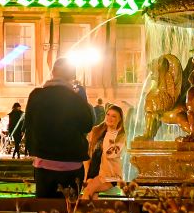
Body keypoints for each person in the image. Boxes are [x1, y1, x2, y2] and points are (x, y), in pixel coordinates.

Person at [25, 58, 95, 199]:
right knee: (69, 211)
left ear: (53, 72)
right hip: (71, 165)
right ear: (72, 76)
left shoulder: (36, 95)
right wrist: (84, 100)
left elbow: (28, 124)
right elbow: (88, 124)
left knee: (45, 212)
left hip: (43, 164)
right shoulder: (75, 98)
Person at [83, 104, 126, 198]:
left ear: (119, 120)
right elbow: (89, 154)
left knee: (89, 190)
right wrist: (86, 175)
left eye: (114, 116)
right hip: (93, 172)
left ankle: (79, 212)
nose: (110, 118)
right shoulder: (96, 130)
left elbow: (109, 154)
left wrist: (111, 132)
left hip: (109, 175)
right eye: (108, 114)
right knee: (92, 196)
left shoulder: (120, 136)